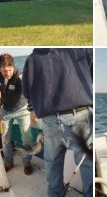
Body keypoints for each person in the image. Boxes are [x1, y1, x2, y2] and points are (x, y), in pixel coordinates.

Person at [22, 48, 93, 197]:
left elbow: (27, 93)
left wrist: (33, 108)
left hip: (50, 121)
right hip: (81, 117)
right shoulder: (81, 50)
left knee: (52, 166)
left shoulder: (32, 59)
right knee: (87, 166)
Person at [0, 53, 33, 175]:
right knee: (5, 137)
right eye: (4, 71)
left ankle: (27, 162)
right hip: (4, 110)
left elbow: (25, 92)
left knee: (26, 137)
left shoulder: (20, 75)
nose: (7, 73)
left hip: (22, 109)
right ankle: (8, 162)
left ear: (13, 67)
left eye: (9, 70)